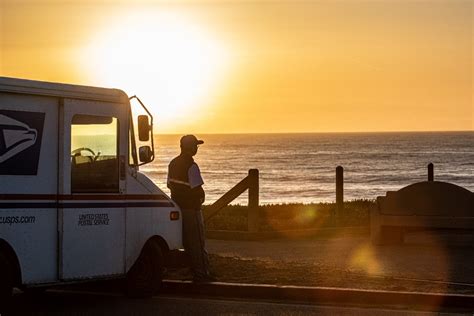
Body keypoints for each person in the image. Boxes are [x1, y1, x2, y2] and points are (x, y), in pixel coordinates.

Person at [167, 135, 215, 283]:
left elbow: (170, 185)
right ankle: (202, 273)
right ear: (191, 148)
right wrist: (200, 199)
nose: (197, 149)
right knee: (197, 242)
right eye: (196, 146)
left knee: (186, 242)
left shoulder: (173, 163)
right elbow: (197, 189)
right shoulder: (191, 165)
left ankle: (191, 270)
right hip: (192, 209)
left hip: (178, 207)